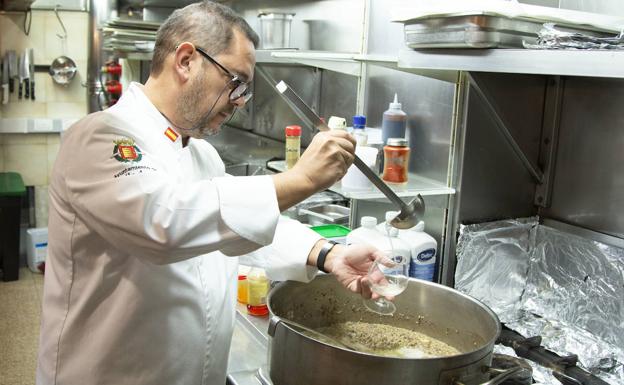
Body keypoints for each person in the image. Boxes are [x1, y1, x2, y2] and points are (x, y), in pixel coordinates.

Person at [36, 2, 384, 385]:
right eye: (235, 82)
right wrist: (300, 179)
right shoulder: (100, 136)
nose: (239, 101)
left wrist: (327, 254)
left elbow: (236, 227)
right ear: (186, 60)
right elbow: (164, 224)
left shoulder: (200, 152)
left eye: (245, 90)